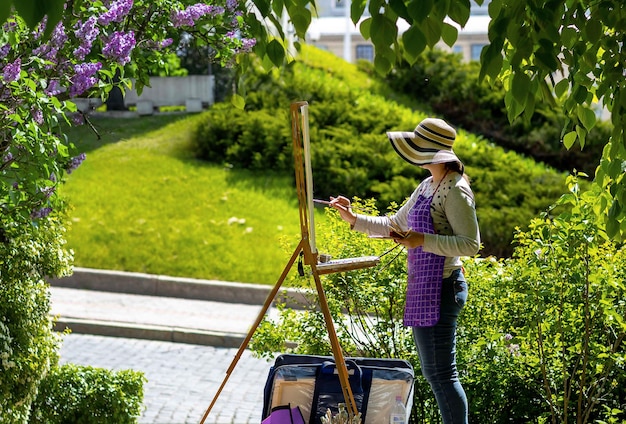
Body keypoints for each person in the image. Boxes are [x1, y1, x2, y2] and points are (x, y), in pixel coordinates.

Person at [329, 118, 480, 424]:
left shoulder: (456, 190)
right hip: (428, 286)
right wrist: (353, 218)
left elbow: (470, 244)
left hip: (444, 286)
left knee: (441, 374)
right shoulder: (427, 185)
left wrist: (422, 239)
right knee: (436, 373)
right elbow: (394, 225)